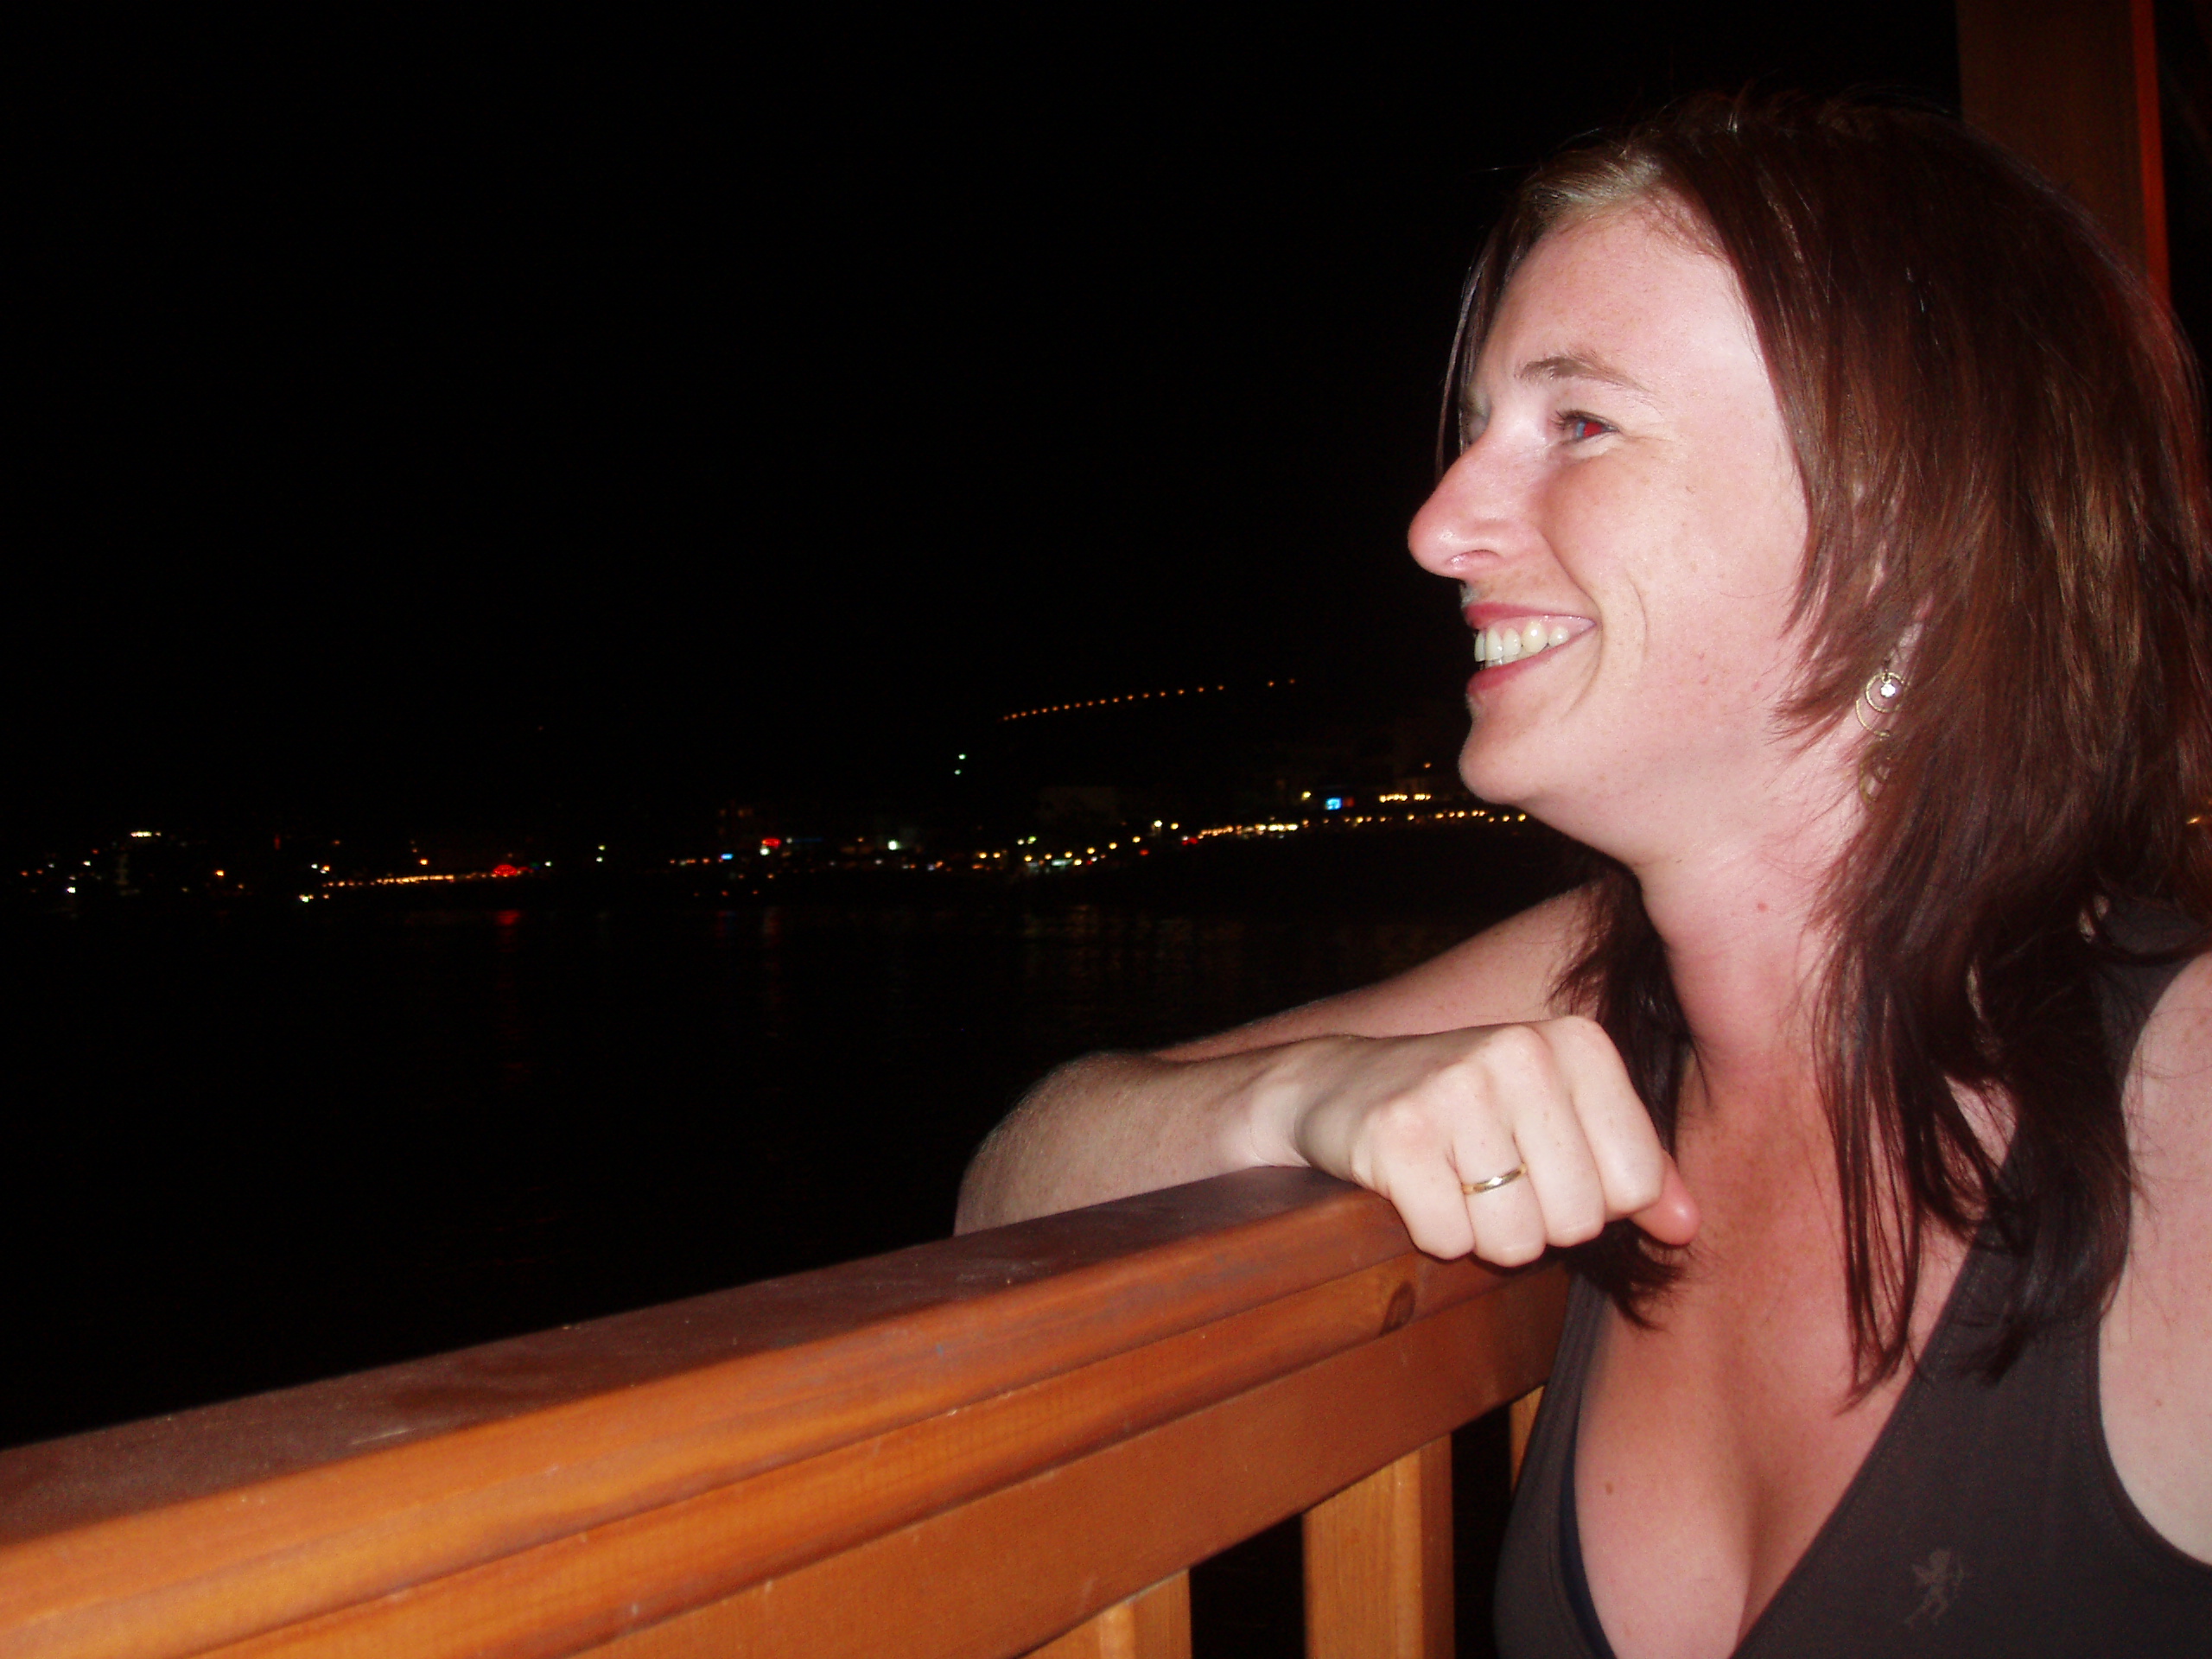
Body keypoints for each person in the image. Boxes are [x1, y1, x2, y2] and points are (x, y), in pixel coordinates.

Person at [957, 93, 2212, 1654]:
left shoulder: (2191, 1097)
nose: (1436, 527)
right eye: (1480, 429)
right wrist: (1300, 1098)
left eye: (1581, 424)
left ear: (1903, 538)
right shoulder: (1608, 979)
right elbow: (1012, 1186)